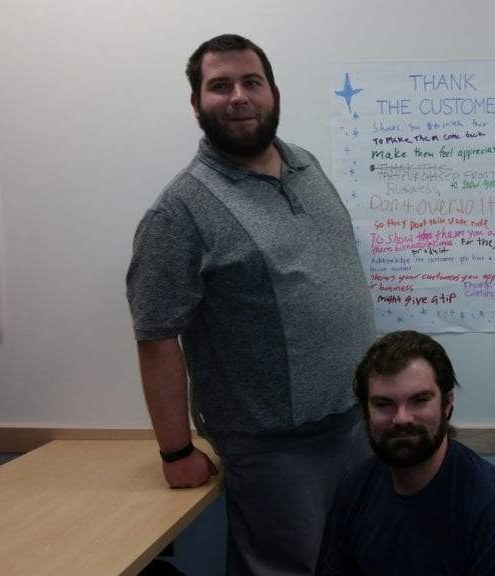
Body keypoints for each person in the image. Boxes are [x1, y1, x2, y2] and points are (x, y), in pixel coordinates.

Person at [125, 34, 374, 576]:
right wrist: (174, 452)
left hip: (356, 426)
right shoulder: (179, 211)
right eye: (220, 86)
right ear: (196, 104)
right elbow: (156, 334)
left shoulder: (305, 165)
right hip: (274, 449)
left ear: (273, 92)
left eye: (251, 82)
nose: (238, 96)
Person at [317, 330, 495, 575]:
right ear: (366, 411)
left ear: (447, 404)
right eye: (384, 404)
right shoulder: (354, 488)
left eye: (419, 400)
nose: (401, 418)